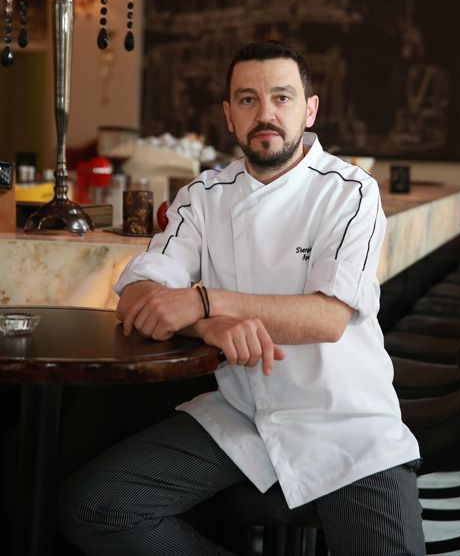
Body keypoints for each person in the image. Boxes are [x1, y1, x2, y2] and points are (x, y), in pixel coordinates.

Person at [59, 41, 426, 555]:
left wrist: (204, 301)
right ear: (229, 116)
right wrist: (207, 325)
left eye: (282, 97)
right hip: (243, 416)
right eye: (248, 100)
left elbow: (326, 318)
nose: (265, 114)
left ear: (310, 110)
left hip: (346, 421)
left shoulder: (350, 191)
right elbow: (139, 296)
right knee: (95, 508)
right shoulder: (203, 196)